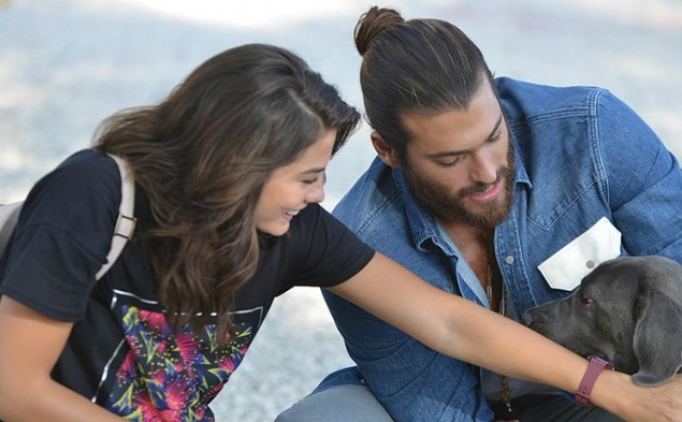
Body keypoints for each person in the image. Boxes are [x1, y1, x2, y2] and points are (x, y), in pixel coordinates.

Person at [0, 45, 679, 422]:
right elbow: (13, 388)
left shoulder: (294, 231)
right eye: (306, 176)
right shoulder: (95, 193)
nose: (320, 195)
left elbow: (450, 322)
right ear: (236, 165)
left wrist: (608, 387)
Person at [275, 6, 682, 422]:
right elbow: (441, 400)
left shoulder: (593, 131)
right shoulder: (360, 241)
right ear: (388, 151)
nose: (487, 172)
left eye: (494, 136)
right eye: (451, 159)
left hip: (602, 398)